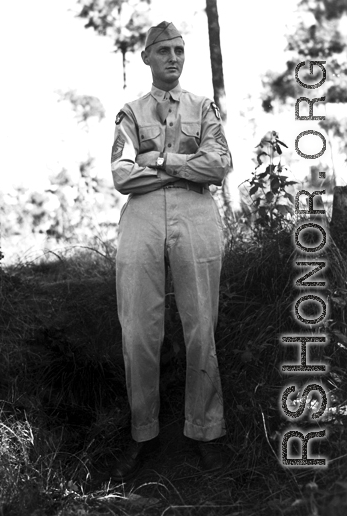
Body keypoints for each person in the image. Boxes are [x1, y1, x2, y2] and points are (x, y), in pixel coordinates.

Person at [109, 21, 231, 481]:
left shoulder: (203, 106)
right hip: (141, 214)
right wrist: (187, 167)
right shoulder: (130, 111)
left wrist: (159, 159)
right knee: (139, 327)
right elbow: (122, 175)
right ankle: (144, 434)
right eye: (163, 50)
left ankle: (206, 432)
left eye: (179, 50)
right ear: (147, 57)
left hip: (196, 213)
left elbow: (219, 163)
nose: (173, 58)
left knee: (201, 323)